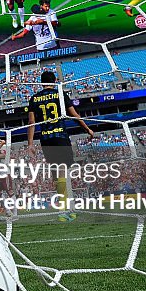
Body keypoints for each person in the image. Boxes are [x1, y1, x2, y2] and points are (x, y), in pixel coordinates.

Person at [27, 70, 95, 222]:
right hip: (60, 137)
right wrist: (87, 128)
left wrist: (30, 144)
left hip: (46, 139)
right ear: (54, 81)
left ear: (41, 82)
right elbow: (74, 115)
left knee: (57, 175)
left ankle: (63, 210)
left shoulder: (34, 98)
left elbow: (31, 123)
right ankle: (68, 209)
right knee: (64, 173)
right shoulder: (60, 94)